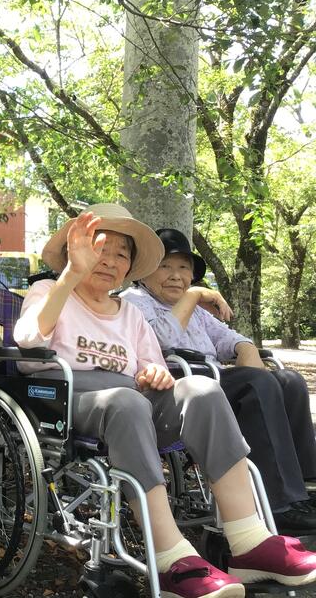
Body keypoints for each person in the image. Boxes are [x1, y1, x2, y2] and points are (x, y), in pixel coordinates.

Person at [14, 203, 316, 598]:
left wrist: (154, 373)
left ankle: (248, 541)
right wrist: (71, 275)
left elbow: (153, 367)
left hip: (131, 400)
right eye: (99, 249)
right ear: (75, 250)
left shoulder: (130, 315)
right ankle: (171, 558)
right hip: (65, 397)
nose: (110, 261)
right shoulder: (48, 292)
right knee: (126, 402)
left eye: (121, 254)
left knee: (203, 390)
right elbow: (27, 342)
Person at [122, 228, 316, 535]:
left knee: (289, 381)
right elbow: (163, 338)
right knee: (256, 384)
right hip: (179, 388)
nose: (176, 275)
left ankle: (303, 490)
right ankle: (278, 505)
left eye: (183, 267)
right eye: (165, 266)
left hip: (215, 381)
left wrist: (245, 348)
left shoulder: (198, 313)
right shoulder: (134, 301)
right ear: (144, 272)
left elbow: (228, 337)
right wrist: (194, 295)